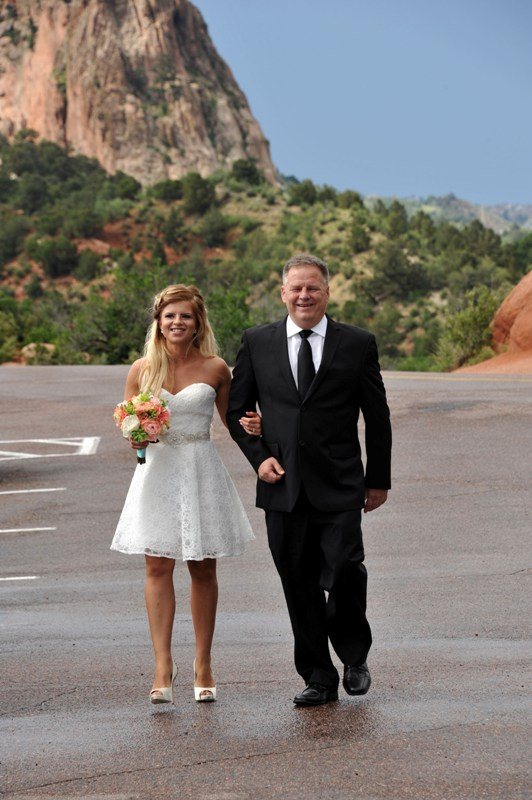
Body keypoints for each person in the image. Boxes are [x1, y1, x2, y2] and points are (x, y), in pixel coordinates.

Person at [227, 254, 392, 707]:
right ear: (282, 293)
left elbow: (377, 417)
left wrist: (378, 480)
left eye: (312, 288)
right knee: (297, 583)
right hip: (282, 485)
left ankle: (354, 654)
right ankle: (319, 677)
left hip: (340, 484)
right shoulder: (257, 342)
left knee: (343, 571)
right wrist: (258, 459)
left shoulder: (357, 343)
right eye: (296, 288)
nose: (304, 296)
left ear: (326, 292)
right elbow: (237, 410)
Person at [111, 284, 260, 705]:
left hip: (200, 468)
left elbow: (232, 421)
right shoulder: (142, 370)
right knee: (157, 567)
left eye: (186, 316)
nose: (177, 323)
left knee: (202, 568)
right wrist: (137, 433)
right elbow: (130, 431)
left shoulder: (216, 368)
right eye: (170, 315)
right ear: (159, 321)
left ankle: (203, 663)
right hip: (157, 472)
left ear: (198, 323)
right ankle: (162, 665)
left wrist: (255, 429)